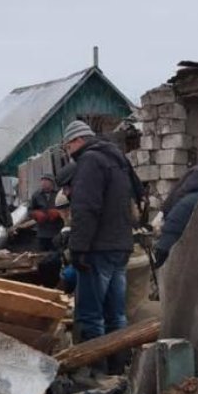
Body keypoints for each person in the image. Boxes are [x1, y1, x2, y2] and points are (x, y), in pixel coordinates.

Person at [62, 120, 140, 342]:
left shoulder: (90, 160)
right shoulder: (117, 158)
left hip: (98, 247)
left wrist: (78, 248)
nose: (69, 152)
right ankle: (120, 358)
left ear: (78, 140)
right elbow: (137, 195)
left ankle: (94, 361)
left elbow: (86, 208)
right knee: (116, 313)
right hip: (121, 245)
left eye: (68, 146)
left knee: (90, 315)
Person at [22, 175, 64, 253]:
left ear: (52, 182)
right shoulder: (36, 195)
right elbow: (29, 211)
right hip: (42, 232)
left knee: (57, 253)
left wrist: (58, 212)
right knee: (42, 254)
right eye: (42, 181)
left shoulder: (60, 194)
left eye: (46, 181)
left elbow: (68, 208)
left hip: (57, 231)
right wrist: (35, 214)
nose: (43, 183)